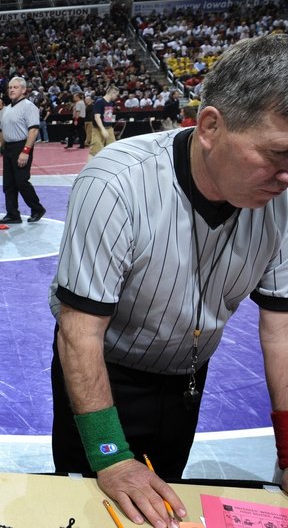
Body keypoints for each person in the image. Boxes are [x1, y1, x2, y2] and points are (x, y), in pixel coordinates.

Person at [48, 33, 288, 528]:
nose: (287, 175)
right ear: (209, 126)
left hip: (186, 382)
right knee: (90, 510)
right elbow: (80, 332)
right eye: (276, 154)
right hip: (103, 377)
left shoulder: (281, 199)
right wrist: (111, 454)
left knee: (164, 511)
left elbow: (283, 332)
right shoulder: (115, 182)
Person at [0, 77, 46, 225]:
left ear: (23, 90)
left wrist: (25, 151)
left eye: (15, 87)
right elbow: (3, 131)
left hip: (21, 146)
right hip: (8, 148)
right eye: (10, 87)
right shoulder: (8, 109)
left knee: (21, 181)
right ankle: (12, 214)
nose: (11, 90)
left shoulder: (29, 107)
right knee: (8, 184)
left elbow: (33, 130)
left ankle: (37, 208)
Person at [88, 85, 118, 157]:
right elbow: (97, 117)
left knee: (113, 149)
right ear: (112, 93)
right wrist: (103, 130)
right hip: (98, 129)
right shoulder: (99, 102)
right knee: (95, 150)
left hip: (109, 128)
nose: (116, 97)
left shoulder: (111, 103)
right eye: (116, 95)